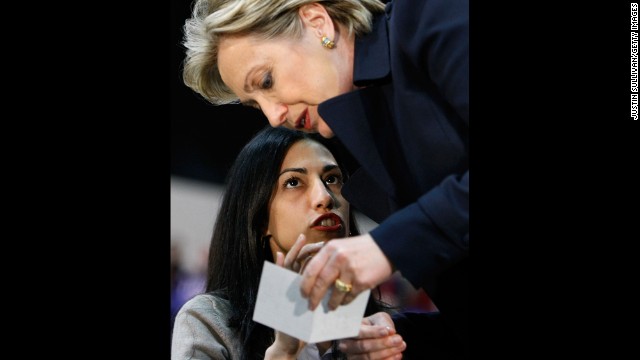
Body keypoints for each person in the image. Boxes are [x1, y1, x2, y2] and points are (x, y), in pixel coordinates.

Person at [181, 0, 468, 357]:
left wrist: (388, 245)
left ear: (318, 23)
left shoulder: (429, 17)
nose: (273, 116)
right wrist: (397, 336)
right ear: (255, 217)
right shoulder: (209, 318)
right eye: (255, 104)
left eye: (267, 81)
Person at [171, 126, 407, 359]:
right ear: (260, 219)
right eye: (294, 182)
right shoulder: (208, 321)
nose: (325, 197)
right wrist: (283, 353)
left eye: (332, 178)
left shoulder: (384, 329)